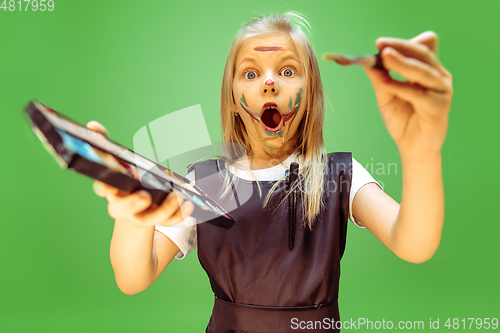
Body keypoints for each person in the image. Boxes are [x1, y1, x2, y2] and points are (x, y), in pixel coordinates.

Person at [88, 12, 453, 333]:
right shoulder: (204, 182)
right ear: (233, 99)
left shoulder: (340, 175)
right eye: (250, 72)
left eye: (288, 70)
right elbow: (133, 278)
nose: (269, 83)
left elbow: (414, 245)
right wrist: (132, 214)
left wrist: (420, 152)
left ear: (310, 94)